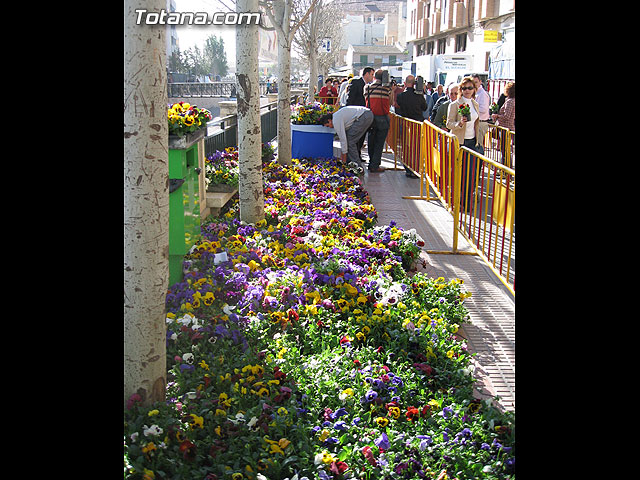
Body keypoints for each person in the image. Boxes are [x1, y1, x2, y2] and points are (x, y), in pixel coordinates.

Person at [446, 76, 489, 211]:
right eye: (464, 88)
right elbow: (449, 123)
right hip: (460, 142)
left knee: (470, 174)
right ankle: (455, 201)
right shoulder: (454, 104)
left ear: (474, 89)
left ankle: (466, 201)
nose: (467, 91)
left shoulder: (475, 104)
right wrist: (459, 124)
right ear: (461, 90)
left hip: (473, 142)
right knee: (458, 173)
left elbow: (477, 122)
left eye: (470, 88)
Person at [395, 75, 427, 178]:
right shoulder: (418, 95)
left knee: (406, 147)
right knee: (417, 148)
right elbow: (424, 107)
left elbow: (398, 107)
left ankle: (408, 169)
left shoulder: (400, 96)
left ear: (405, 83)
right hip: (418, 124)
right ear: (415, 84)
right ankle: (415, 169)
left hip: (405, 124)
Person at [363, 69, 392, 173]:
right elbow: (391, 102)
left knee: (371, 141)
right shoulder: (386, 88)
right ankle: (375, 165)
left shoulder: (367, 87)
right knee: (379, 143)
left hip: (370, 118)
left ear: (374, 77)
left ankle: (371, 163)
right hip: (383, 118)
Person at [346, 67, 375, 159]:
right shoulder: (356, 82)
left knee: (362, 136)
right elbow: (350, 98)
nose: (372, 77)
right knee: (355, 137)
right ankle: (353, 156)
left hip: (364, 115)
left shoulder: (370, 86)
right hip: (355, 114)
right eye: (371, 74)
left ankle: (358, 154)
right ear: (366, 74)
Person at [491, 81, 515, 163]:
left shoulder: (510, 101)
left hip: (506, 128)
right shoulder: (511, 100)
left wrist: (497, 116)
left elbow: (506, 116)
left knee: (505, 150)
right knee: (505, 149)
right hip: (508, 128)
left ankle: (506, 168)